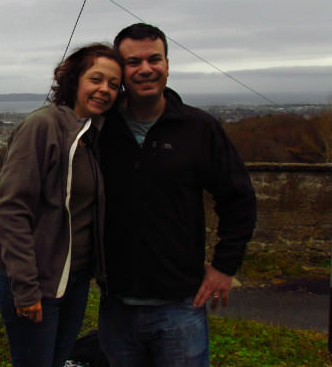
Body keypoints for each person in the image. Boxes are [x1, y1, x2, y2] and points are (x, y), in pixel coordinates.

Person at [97, 23, 256, 366]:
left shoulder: (199, 128)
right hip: (115, 305)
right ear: (120, 71)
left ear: (167, 64)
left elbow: (239, 198)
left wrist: (225, 267)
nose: (145, 69)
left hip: (181, 306)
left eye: (154, 59)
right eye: (133, 62)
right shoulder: (100, 130)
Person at [0, 43, 123, 367]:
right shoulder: (43, 126)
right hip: (36, 281)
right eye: (97, 79)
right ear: (75, 79)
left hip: (74, 282)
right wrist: (25, 288)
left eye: (114, 85)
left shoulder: (94, 136)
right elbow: (12, 209)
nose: (104, 89)